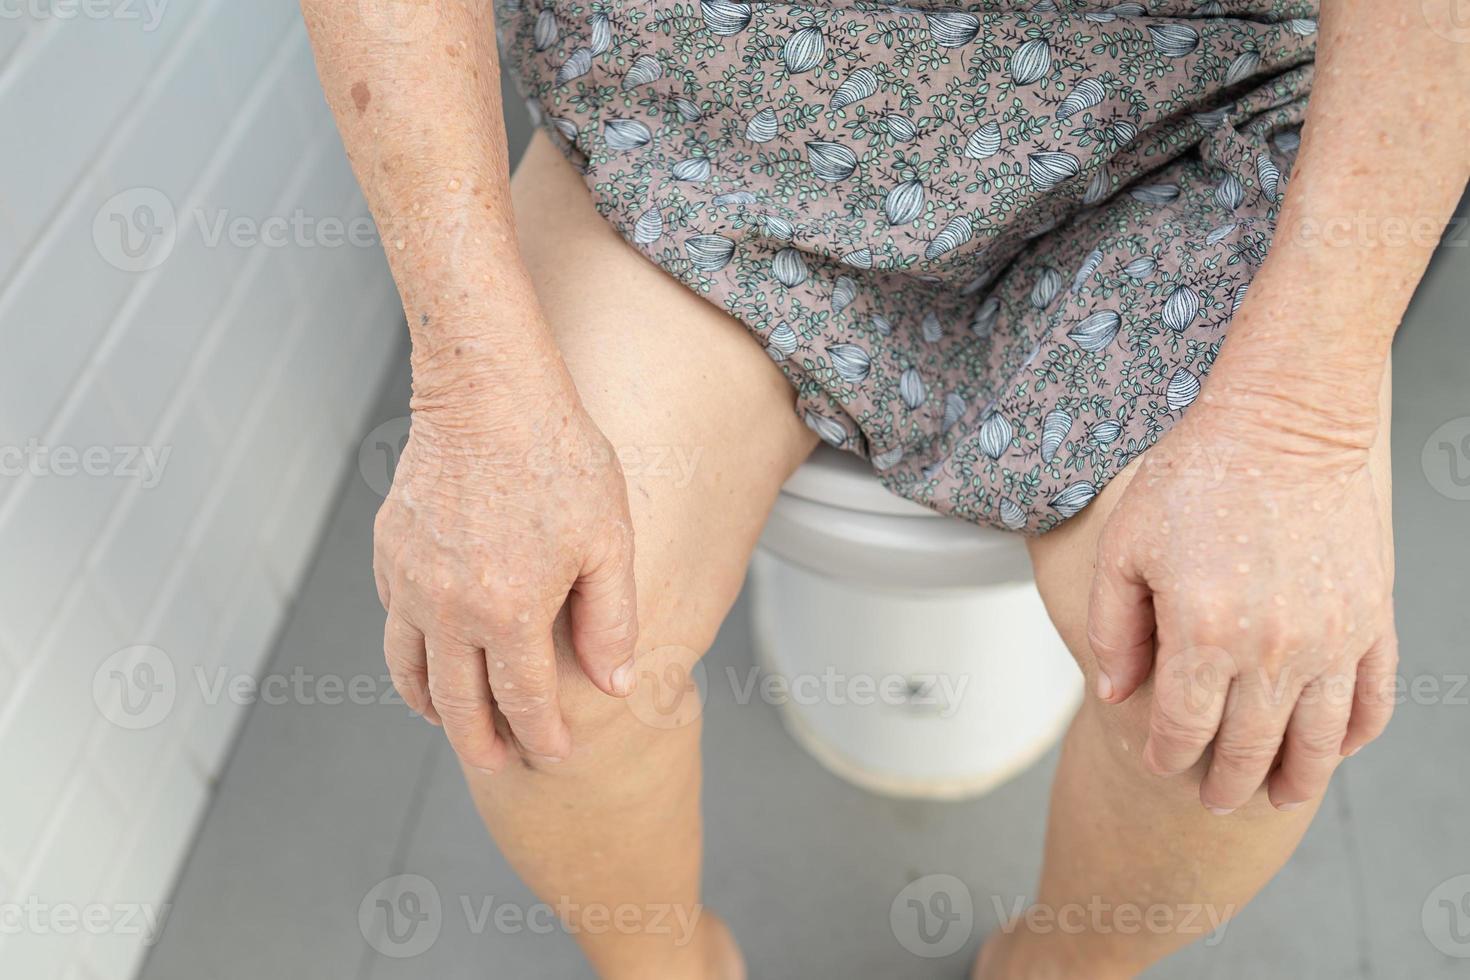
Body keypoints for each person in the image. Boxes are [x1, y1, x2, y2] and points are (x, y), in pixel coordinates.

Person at [301, 1, 1467, 976]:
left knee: (1231, 684)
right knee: (545, 639)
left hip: (1169, 118)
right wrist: (472, 387)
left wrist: (1294, 422)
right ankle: (669, 968)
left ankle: (1053, 971)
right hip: (701, 115)